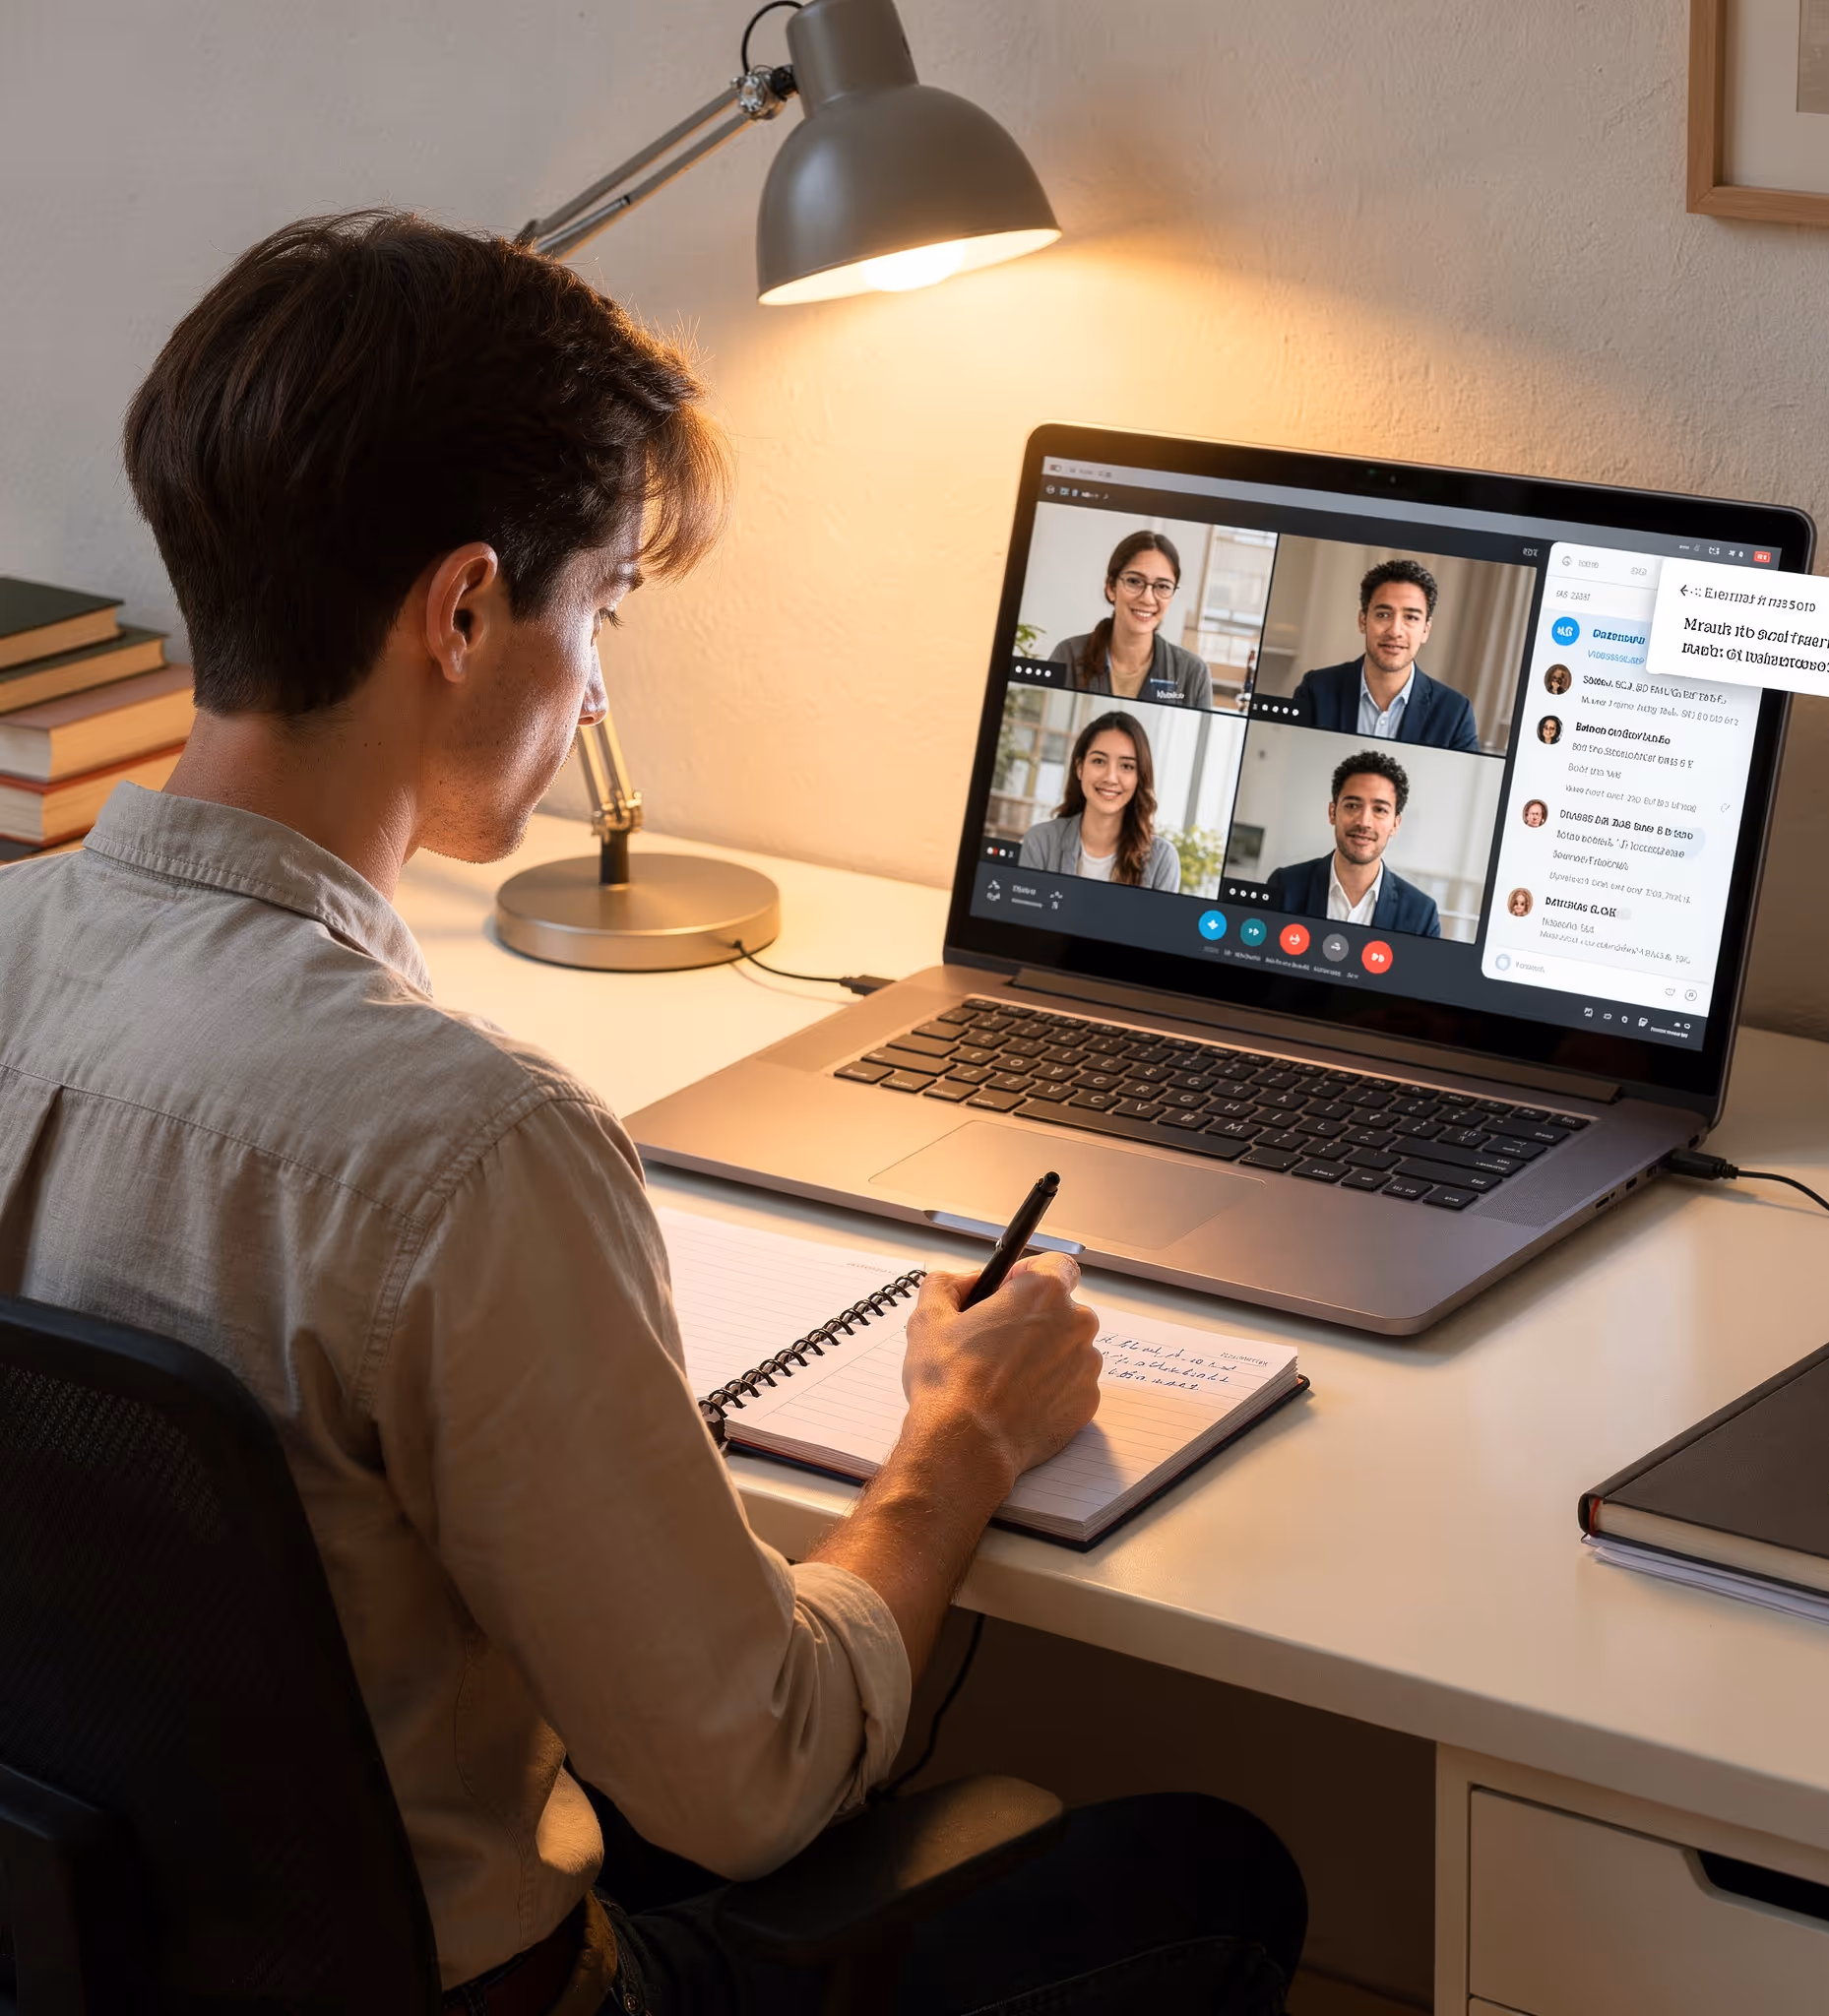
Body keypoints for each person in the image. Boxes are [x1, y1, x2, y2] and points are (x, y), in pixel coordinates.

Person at [0, 215, 1305, 2015]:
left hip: (96, 1955)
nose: (599, 680)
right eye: (601, 603)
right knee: (1204, 1872)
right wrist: (955, 1441)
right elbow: (749, 1779)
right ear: (461, 611)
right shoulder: (465, 1148)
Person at [1289, 559, 1482, 751]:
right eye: (1383, 615)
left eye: (1411, 617)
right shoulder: (1316, 690)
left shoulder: (1455, 712)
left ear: (1426, 630)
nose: (1395, 631)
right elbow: (1290, 767)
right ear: (1363, 621)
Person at [1261, 749, 1440, 936]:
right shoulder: (1284, 886)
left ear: (1395, 824)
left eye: (1379, 809)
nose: (1364, 822)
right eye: (1352, 806)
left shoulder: (1422, 915)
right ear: (1332, 812)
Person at [1017, 711, 1183, 891]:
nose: (1110, 778)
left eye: (1126, 766)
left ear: (1139, 777)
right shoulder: (1040, 842)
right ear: (1080, 768)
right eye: (1099, 761)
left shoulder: (1162, 860)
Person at [1049, 531, 1214, 708]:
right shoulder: (1068, 655)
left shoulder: (1193, 674)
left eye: (1163, 586)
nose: (1147, 598)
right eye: (1134, 581)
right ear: (1111, 588)